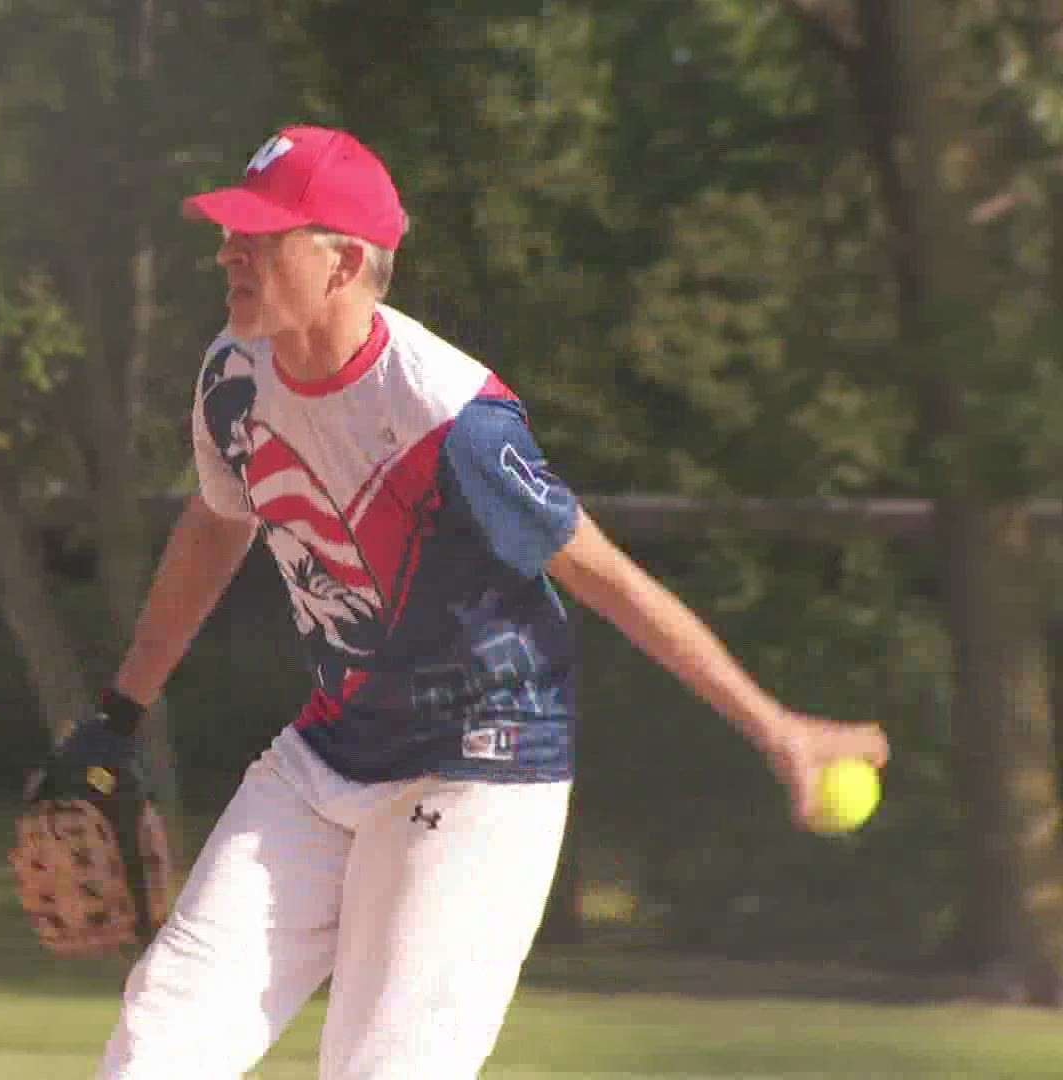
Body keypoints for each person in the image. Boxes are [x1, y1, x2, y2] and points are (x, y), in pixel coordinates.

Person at [80, 126, 891, 1079]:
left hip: (481, 771)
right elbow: (220, 524)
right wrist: (118, 713)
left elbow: (606, 579)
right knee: (157, 1044)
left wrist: (773, 727)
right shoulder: (233, 374)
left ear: (342, 261)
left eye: (260, 235)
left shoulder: (446, 418)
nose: (229, 252)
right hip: (331, 749)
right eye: (232, 232)